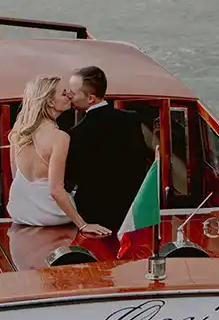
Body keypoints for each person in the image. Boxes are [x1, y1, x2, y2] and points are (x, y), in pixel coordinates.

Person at [6, 75, 111, 235]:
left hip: (19, 213)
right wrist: (83, 225)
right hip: (52, 215)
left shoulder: (18, 131)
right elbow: (55, 190)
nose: (69, 95)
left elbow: (15, 175)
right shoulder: (59, 138)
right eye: (63, 93)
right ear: (49, 101)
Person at [58, 66, 150, 232]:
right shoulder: (131, 119)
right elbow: (140, 161)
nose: (69, 96)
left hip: (92, 214)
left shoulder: (76, 134)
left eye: (73, 92)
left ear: (91, 98)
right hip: (130, 211)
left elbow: (69, 179)